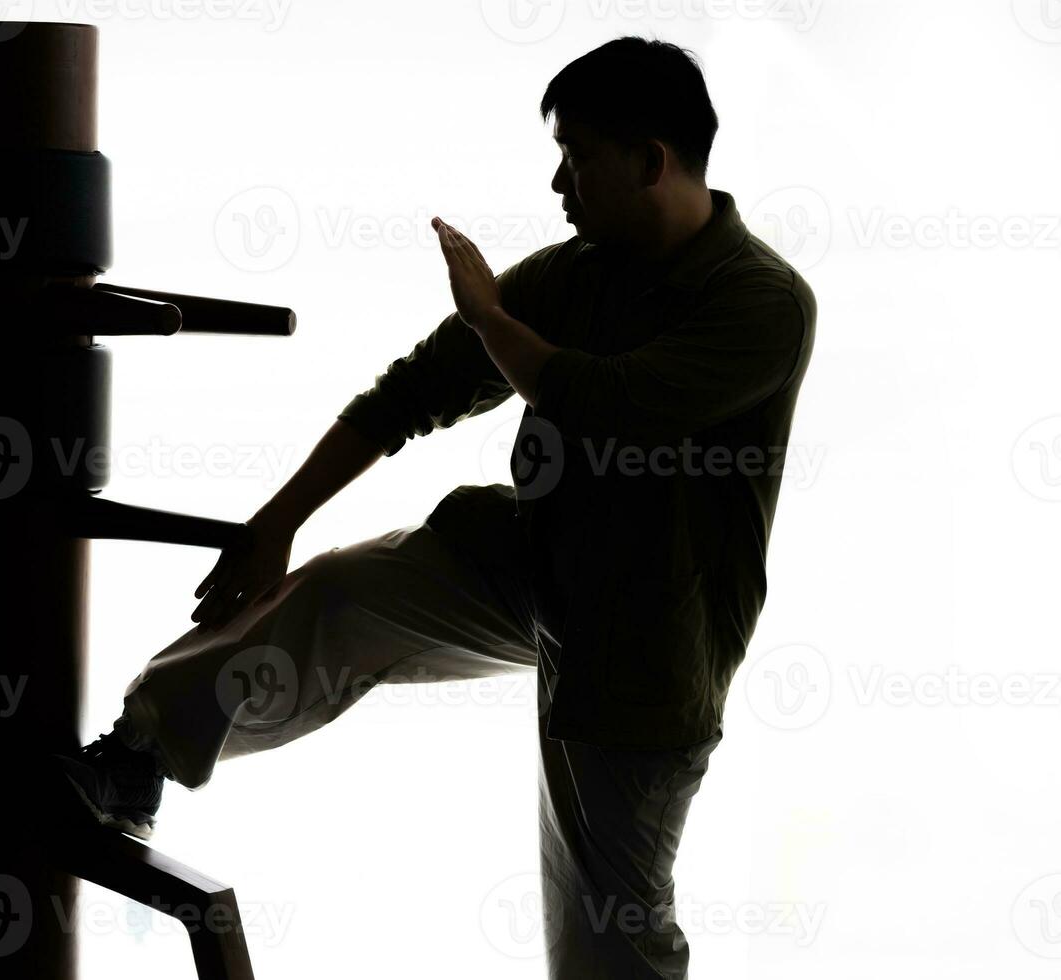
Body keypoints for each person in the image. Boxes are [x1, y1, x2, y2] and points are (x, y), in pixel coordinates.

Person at [56, 35, 816, 979]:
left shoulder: (764, 303)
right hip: (535, 568)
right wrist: (279, 521)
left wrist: (491, 316)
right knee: (338, 591)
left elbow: (606, 400)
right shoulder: (573, 274)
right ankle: (140, 756)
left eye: (575, 156)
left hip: (647, 662)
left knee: (611, 949)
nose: (557, 184)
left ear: (651, 161)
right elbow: (407, 396)